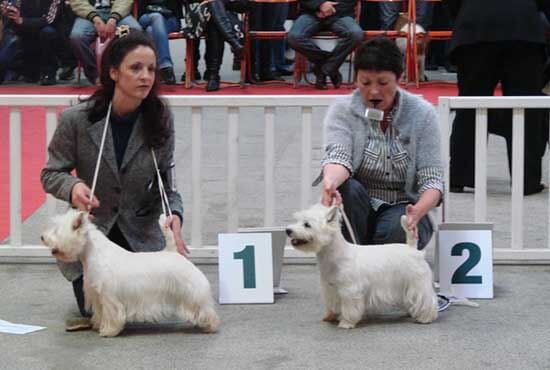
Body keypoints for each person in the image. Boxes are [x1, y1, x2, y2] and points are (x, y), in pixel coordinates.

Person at [40, 29, 188, 329]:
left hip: (140, 236)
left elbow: (166, 186)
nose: (146, 76)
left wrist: (175, 217)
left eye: (151, 69)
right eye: (135, 68)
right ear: (113, 72)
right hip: (93, 238)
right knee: (94, 312)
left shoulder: (159, 119)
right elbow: (50, 174)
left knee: (151, 313)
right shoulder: (77, 120)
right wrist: (74, 187)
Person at [320, 37, 443, 249]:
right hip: (360, 205)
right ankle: (356, 258)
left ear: (399, 78)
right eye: (365, 83)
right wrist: (330, 182)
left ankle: (368, 259)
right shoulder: (342, 110)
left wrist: (418, 212)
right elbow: (338, 157)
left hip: (404, 206)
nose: (374, 91)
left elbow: (433, 180)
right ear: (356, 79)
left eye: (383, 83)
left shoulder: (423, 113)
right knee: (347, 189)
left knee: (396, 228)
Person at [448, 0, 548, 196]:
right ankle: (526, 181)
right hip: (523, 27)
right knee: (526, 107)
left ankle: (460, 176)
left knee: (469, 104)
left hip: (474, 26)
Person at [287, 0, 363, 90]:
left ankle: (323, 70)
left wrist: (329, 10)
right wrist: (319, 6)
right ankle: (330, 67)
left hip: (340, 14)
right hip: (311, 13)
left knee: (355, 34)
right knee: (294, 37)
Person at [1, 0, 76, 85]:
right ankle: (17, 69)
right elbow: (13, 10)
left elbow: (49, 20)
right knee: (11, 37)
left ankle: (49, 73)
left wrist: (22, 21)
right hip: (23, 30)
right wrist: (7, 12)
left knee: (48, 32)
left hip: (47, 30)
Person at [69, 0, 142, 85]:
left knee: (134, 32)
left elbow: (124, 1)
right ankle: (95, 76)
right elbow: (77, 2)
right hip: (89, 15)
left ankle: (125, 71)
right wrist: (95, 18)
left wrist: (113, 18)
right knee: (77, 37)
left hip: (119, 14)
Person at [138, 0, 183, 84]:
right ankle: (165, 66)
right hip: (146, 17)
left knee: (150, 30)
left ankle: (155, 71)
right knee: (157, 16)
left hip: (169, 19)